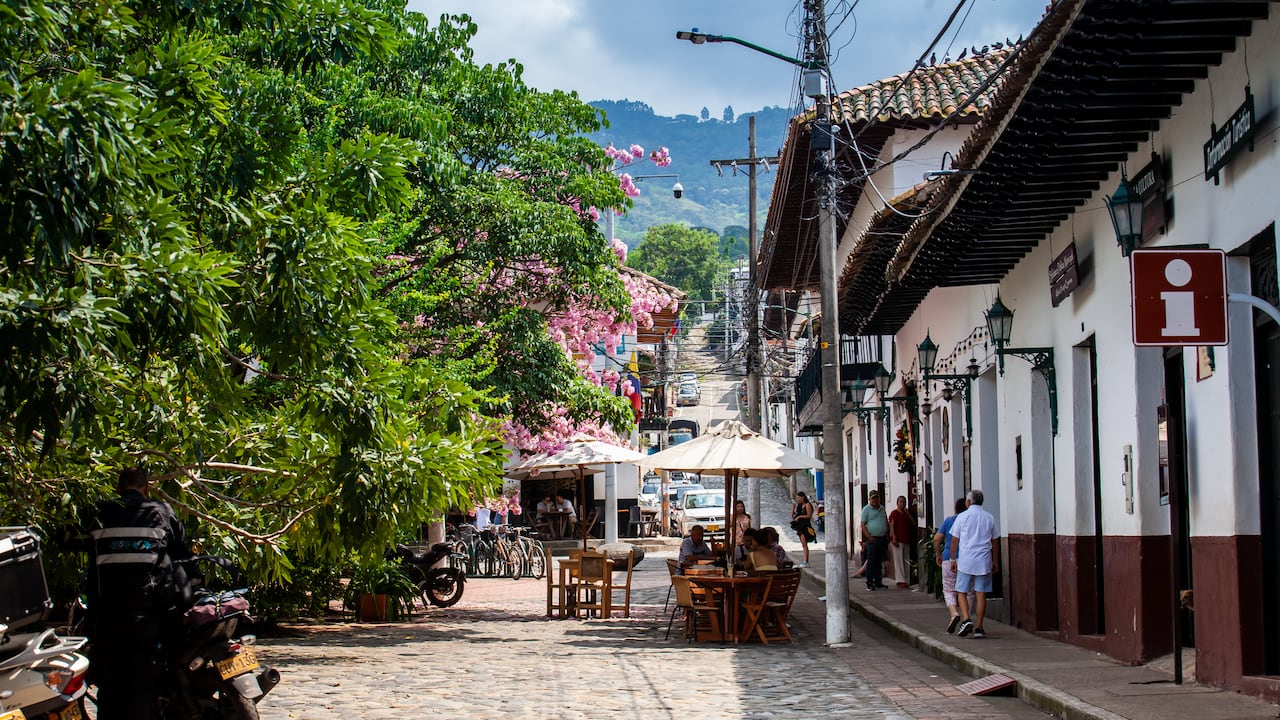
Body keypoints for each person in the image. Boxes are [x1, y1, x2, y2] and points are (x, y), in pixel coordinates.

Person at [86, 466, 191, 720]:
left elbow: (71, 541)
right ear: (147, 488)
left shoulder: (98, 513)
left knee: (110, 687)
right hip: (149, 617)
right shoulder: (162, 512)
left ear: (117, 487)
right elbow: (182, 550)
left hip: (108, 617)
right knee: (144, 686)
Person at [950, 489, 1000, 639]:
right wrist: (995, 560)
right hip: (983, 560)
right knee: (981, 594)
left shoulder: (962, 517)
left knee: (961, 591)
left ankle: (966, 619)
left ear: (968, 502)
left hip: (965, 560)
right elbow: (995, 541)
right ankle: (979, 627)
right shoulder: (989, 517)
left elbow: (954, 540)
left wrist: (952, 559)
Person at [934, 497, 975, 634]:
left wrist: (938, 554)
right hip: (966, 559)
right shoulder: (970, 521)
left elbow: (936, 539)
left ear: (955, 509)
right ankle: (966, 618)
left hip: (948, 558)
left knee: (949, 589)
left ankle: (954, 613)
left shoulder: (949, 520)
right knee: (969, 590)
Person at [860, 490, 889, 591]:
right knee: (871, 562)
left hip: (882, 539)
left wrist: (887, 534)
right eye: (873, 498)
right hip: (872, 539)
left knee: (879, 561)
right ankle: (869, 583)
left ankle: (878, 582)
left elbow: (885, 521)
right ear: (869, 499)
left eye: (876, 498)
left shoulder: (882, 508)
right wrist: (868, 537)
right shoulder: (866, 509)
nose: (875, 500)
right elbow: (863, 525)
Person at [889, 495, 914, 588]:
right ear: (897, 503)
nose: (902, 504)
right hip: (898, 539)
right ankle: (900, 580)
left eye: (904, 502)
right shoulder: (894, 513)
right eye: (900, 502)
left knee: (906, 559)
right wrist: (894, 537)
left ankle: (906, 579)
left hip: (906, 539)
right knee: (898, 560)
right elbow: (891, 526)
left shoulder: (906, 513)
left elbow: (913, 522)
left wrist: (907, 513)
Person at [791, 492, 815, 568]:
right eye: (797, 498)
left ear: (803, 497)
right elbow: (794, 516)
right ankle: (805, 560)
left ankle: (806, 561)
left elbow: (809, 516)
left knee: (804, 544)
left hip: (805, 526)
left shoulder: (807, 505)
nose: (798, 499)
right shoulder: (799, 506)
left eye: (799, 498)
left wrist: (800, 517)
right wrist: (793, 508)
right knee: (803, 544)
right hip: (799, 526)